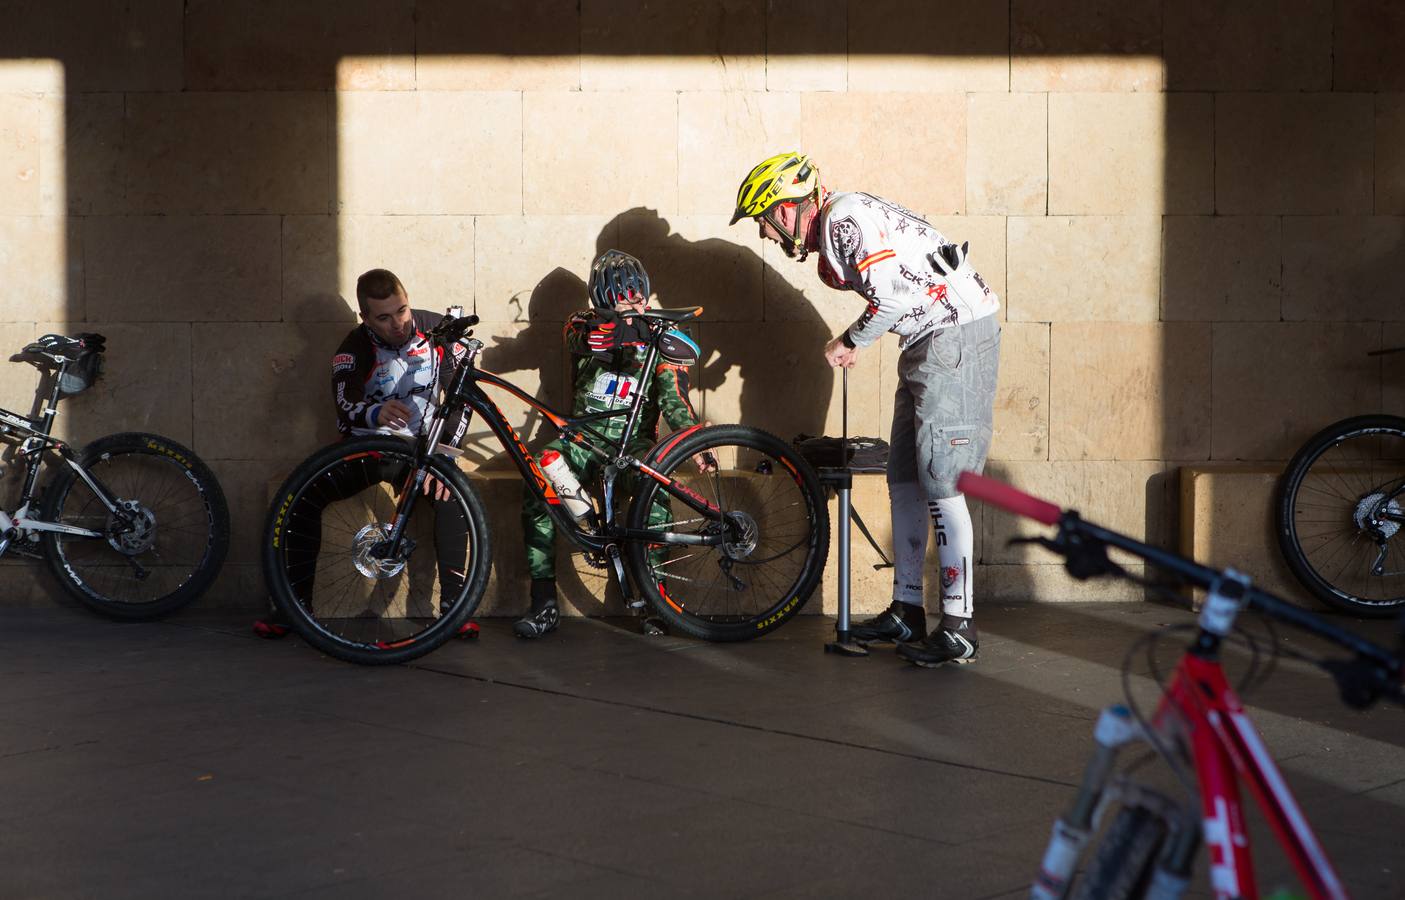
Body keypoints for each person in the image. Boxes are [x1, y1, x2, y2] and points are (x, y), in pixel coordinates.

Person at [729, 152, 1002, 667]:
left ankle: (960, 626)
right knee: (903, 474)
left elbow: (892, 299)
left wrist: (849, 340)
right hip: (928, 339)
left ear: (786, 210)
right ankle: (906, 608)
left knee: (943, 478)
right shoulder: (842, 220)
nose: (765, 236)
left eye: (763, 223)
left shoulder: (841, 220)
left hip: (955, 335)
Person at [254, 268, 475, 639]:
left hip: (420, 452)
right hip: (367, 449)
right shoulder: (353, 347)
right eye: (384, 318)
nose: (398, 324)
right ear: (365, 318)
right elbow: (344, 405)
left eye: (402, 311)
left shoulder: (437, 331)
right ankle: (292, 608)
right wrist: (375, 412)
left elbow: (461, 400)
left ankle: (455, 609)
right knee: (303, 498)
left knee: (452, 495)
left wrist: (445, 458)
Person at [516, 249, 709, 638]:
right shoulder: (582, 323)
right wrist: (624, 328)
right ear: (600, 303)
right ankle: (543, 603)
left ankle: (657, 604)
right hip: (584, 440)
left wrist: (696, 440)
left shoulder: (664, 340)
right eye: (621, 303)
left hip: (634, 445)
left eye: (638, 300)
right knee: (537, 475)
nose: (634, 309)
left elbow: (675, 398)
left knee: (653, 496)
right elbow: (586, 337)